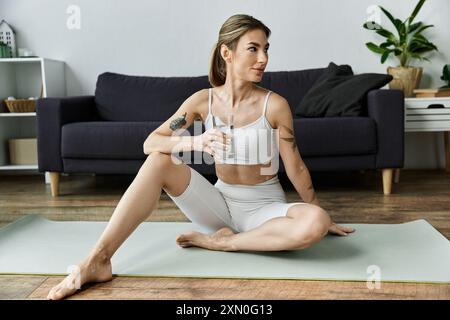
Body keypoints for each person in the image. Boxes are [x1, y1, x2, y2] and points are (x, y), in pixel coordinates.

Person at [47, 14, 354, 300]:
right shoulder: (200, 103)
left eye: (266, 49)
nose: (264, 59)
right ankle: (98, 260)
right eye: (253, 49)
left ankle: (222, 242)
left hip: (265, 210)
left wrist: (319, 211)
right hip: (217, 206)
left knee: (314, 222)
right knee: (158, 160)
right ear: (227, 52)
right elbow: (151, 142)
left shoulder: (274, 106)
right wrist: (196, 141)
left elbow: (295, 164)